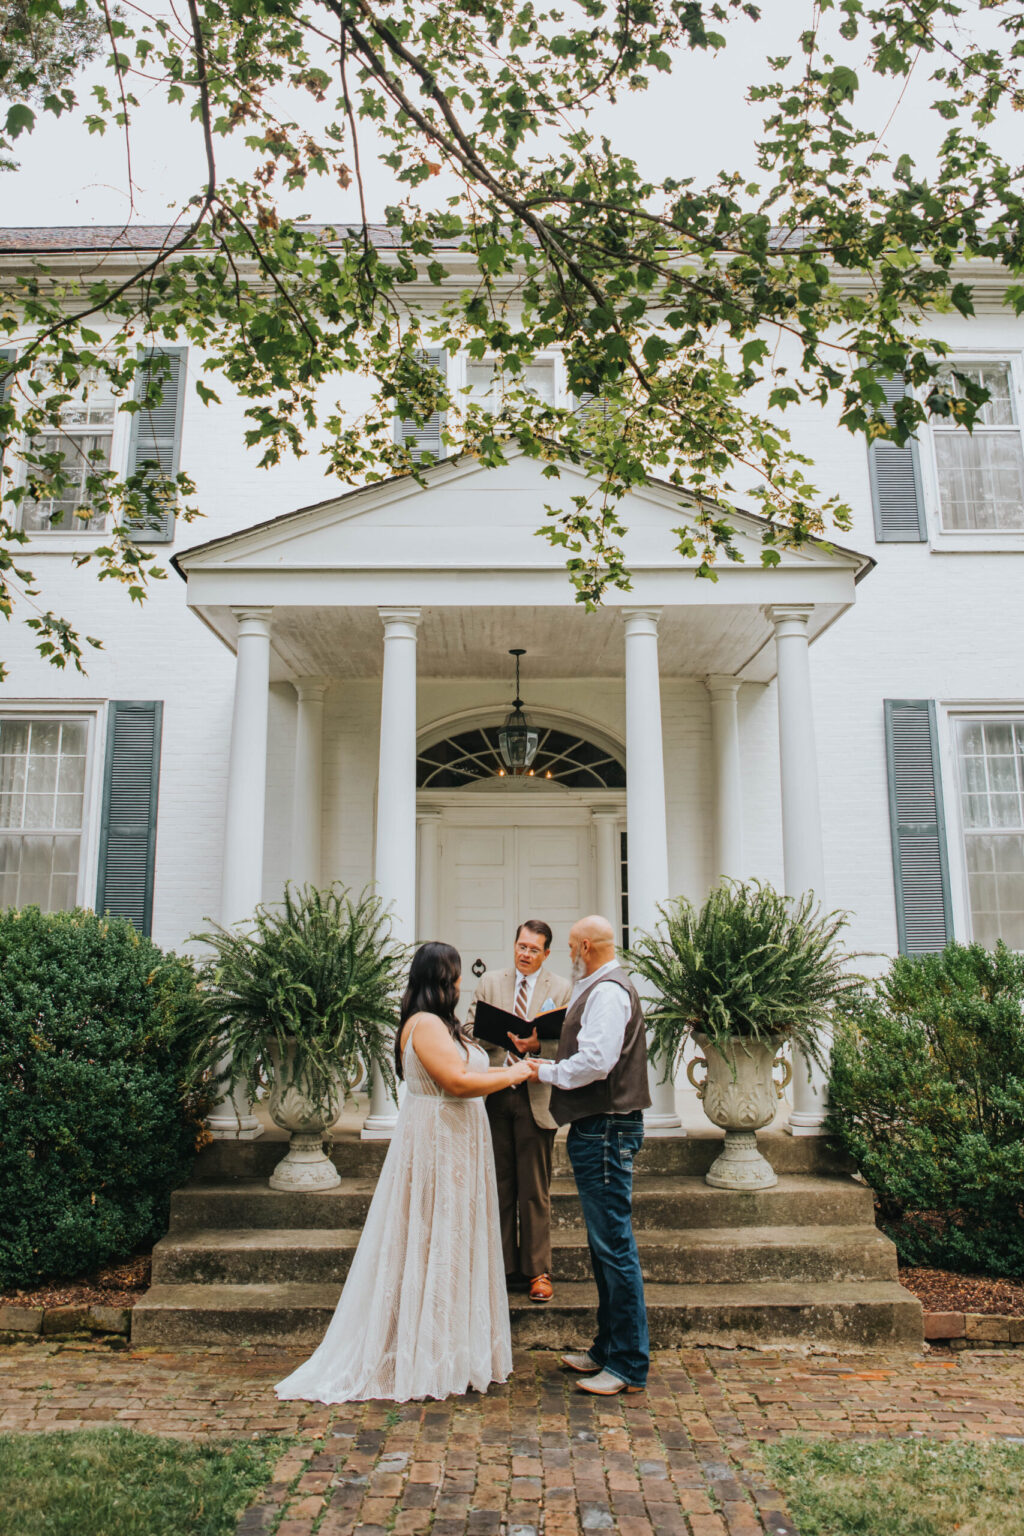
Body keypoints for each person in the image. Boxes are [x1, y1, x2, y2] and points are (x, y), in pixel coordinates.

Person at [275, 941, 532, 1404]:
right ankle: (425, 1353)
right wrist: (515, 1075)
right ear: (439, 980)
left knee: (454, 1243)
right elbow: (456, 1083)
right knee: (434, 1240)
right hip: (439, 1149)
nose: (460, 984)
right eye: (455, 977)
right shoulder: (426, 1025)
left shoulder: (445, 1025)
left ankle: (451, 1349)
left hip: (458, 1147)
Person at [526, 914, 651, 1396]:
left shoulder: (607, 993)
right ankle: (607, 1348)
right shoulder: (597, 987)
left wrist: (544, 1071)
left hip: (607, 1129)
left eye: (574, 947)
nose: (572, 955)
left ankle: (627, 1364)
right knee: (604, 1248)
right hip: (598, 1127)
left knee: (614, 1246)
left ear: (583, 947)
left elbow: (597, 1063)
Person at [466, 919, 572, 1303]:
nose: (525, 955)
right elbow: (468, 1030)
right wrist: (491, 1034)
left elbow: (570, 1046)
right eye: (521, 947)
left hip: (535, 1096)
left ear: (546, 953)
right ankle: (501, 1266)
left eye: (533, 950)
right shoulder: (490, 983)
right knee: (498, 1185)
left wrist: (536, 1047)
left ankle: (537, 1271)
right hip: (495, 1093)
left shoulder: (561, 989)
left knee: (534, 1188)